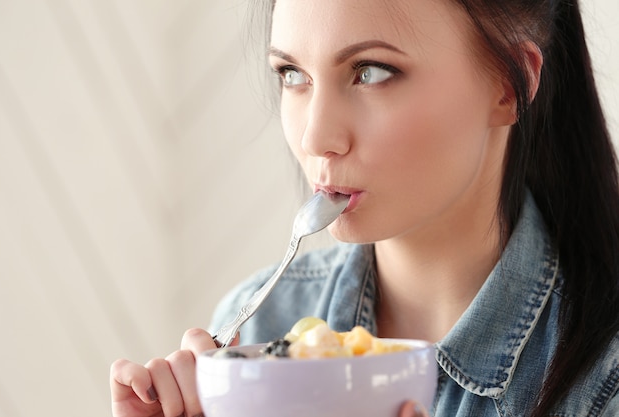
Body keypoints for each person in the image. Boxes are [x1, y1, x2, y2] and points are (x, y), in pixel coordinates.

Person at [110, 0, 619, 415]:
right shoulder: (255, 338)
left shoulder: (603, 375)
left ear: (508, 86)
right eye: (291, 73)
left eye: (371, 71)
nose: (316, 137)